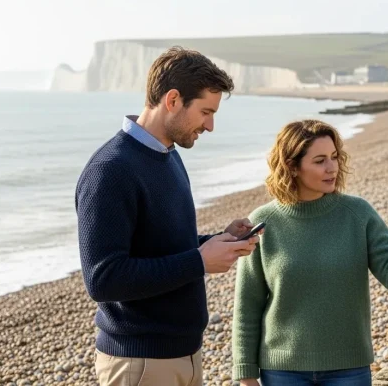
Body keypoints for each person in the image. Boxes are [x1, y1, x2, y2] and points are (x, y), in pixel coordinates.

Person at [76, 47, 260, 386]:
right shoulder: (110, 170)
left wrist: (217, 242)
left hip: (185, 356)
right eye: (205, 111)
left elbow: (163, 246)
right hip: (140, 363)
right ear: (173, 100)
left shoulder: (169, 156)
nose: (211, 125)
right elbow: (103, 279)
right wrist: (199, 262)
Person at [232, 120, 388, 386]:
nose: (332, 168)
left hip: (349, 369)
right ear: (293, 167)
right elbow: (247, 306)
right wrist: (245, 375)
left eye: (334, 157)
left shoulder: (358, 214)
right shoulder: (264, 221)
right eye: (319, 161)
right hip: (282, 370)